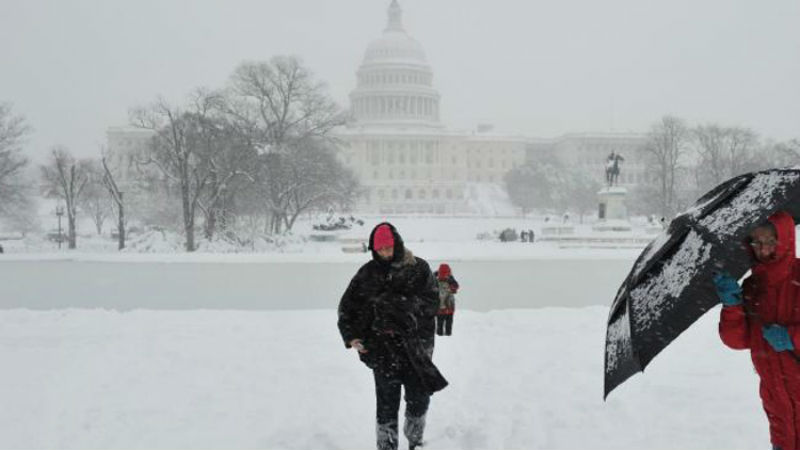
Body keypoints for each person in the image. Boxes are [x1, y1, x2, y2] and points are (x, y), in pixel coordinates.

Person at [338, 222, 447, 450]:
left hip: (415, 348)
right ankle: (386, 447)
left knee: (419, 398)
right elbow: (348, 307)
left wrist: (401, 306)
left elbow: (432, 302)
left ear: (397, 245)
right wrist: (351, 336)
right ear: (374, 249)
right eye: (380, 250)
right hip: (382, 350)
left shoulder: (418, 269)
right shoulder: (367, 273)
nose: (385, 254)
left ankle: (415, 440)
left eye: (388, 248)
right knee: (386, 405)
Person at [715, 211, 800, 450]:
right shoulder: (752, 287)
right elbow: (737, 339)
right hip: (779, 416)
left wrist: (792, 337)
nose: (763, 250)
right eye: (756, 242)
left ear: (784, 239)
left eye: (770, 242)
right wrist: (732, 305)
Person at [433, 263, 459, 336]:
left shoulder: (435, 280)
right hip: (449, 308)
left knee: (439, 324)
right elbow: (456, 288)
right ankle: (448, 335)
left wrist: (434, 274)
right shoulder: (450, 280)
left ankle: (440, 335)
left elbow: (428, 286)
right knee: (448, 325)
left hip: (439, 309)